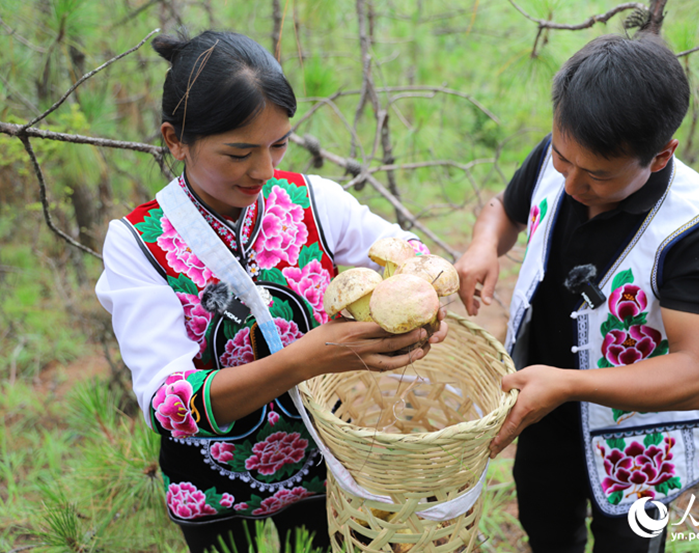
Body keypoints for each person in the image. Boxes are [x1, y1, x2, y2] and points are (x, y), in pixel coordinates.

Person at [95, 30, 447, 553]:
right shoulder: (138, 245)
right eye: (239, 152)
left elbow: (407, 251)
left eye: (277, 145)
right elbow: (170, 406)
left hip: (327, 470)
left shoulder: (313, 202)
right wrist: (309, 358)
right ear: (175, 139)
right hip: (213, 487)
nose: (263, 170)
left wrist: (420, 294)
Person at [455, 34, 699, 553]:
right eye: (564, 161)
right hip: (544, 406)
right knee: (544, 525)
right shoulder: (566, 151)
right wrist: (482, 246)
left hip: (640, 441)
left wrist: (570, 384)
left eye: (598, 176)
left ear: (660, 157)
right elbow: (506, 208)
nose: (570, 184)